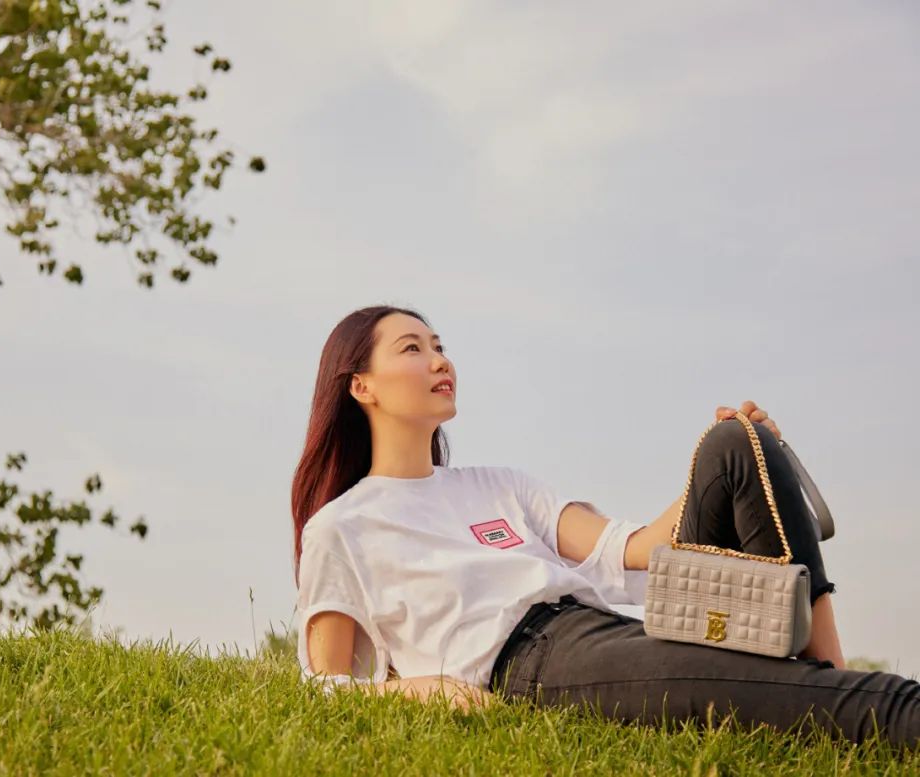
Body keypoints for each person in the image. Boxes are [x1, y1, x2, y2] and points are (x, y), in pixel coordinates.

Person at [290, 304, 920, 750]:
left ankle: (826, 657)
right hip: (535, 663)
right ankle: (861, 698)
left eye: (439, 345)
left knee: (737, 441)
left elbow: (637, 548)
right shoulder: (343, 527)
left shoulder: (500, 486)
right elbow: (324, 686)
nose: (438, 360)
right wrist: (421, 691)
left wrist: (739, 459)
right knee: (839, 702)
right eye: (413, 349)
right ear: (361, 386)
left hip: (615, 625)